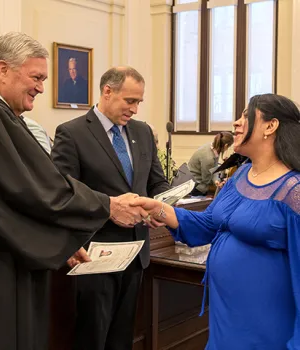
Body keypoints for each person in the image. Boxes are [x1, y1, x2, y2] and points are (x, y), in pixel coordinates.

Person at [0, 32, 149, 350]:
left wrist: (60, 237)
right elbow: (36, 187)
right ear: (3, 69)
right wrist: (106, 205)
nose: (42, 87)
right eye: (36, 77)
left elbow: (8, 198)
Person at [132, 93, 300, 350]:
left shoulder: (293, 190)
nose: (236, 123)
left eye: (245, 115)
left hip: (267, 323)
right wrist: (160, 210)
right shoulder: (241, 174)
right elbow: (208, 225)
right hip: (226, 316)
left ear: (270, 126)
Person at [51, 66, 170, 350]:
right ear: (107, 92)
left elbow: (157, 183)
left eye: (139, 101)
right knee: (92, 338)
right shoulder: (72, 133)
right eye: (130, 101)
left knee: (122, 338)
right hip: (95, 255)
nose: (135, 109)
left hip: (136, 254)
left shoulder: (142, 132)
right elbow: (62, 194)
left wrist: (161, 206)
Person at [188, 131, 234, 195]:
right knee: (224, 192)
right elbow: (206, 180)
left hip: (196, 179)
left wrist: (216, 180)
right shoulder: (209, 158)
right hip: (196, 185)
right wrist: (217, 182)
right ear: (226, 146)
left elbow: (213, 169)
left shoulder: (211, 146)